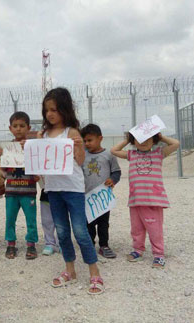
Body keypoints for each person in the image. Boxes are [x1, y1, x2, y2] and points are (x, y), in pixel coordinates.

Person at [39, 87, 104, 295]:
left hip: (73, 189)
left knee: (80, 231)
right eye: (47, 110)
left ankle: (94, 271)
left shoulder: (72, 132)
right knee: (62, 231)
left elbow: (81, 161)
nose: (50, 114)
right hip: (53, 189)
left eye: (55, 110)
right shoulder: (43, 134)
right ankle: (70, 270)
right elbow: (39, 160)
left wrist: (78, 147)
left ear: (65, 110)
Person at [111, 131, 179, 268]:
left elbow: (176, 144)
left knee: (155, 228)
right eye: (139, 138)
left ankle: (159, 254)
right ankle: (138, 250)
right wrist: (128, 138)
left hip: (153, 200)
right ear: (133, 140)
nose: (143, 141)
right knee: (136, 228)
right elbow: (114, 150)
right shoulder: (132, 155)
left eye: (148, 138)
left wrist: (160, 137)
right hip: (136, 200)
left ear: (154, 140)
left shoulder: (158, 153)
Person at [0, 112, 39, 259]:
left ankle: (31, 245)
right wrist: (2, 158)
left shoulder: (33, 148)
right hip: (12, 192)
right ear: (10, 128)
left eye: (22, 126)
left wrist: (37, 174)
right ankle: (11, 245)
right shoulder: (7, 149)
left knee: (31, 219)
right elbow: (3, 171)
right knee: (10, 219)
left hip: (29, 191)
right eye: (15, 126)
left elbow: (38, 170)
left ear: (28, 127)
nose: (19, 129)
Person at [81, 124, 121, 258]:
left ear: (100, 138)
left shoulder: (109, 155)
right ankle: (90, 245)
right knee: (89, 224)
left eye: (90, 140)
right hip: (87, 197)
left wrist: (112, 180)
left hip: (103, 198)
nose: (87, 143)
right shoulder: (82, 155)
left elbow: (117, 172)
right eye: (84, 141)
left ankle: (104, 245)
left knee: (103, 223)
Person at [39, 189, 60, 256]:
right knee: (46, 220)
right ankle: (49, 243)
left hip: (63, 189)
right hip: (46, 192)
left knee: (62, 220)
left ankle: (62, 243)